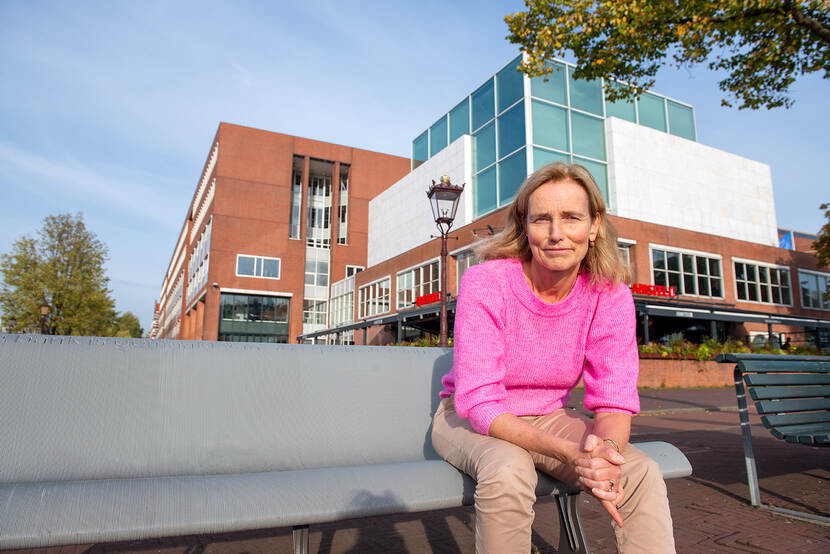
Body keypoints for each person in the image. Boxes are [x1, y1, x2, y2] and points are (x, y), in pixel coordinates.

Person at [431, 162, 675, 553]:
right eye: (542, 219)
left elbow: (613, 399)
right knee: (509, 469)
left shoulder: (609, 294)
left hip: (549, 417)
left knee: (637, 471)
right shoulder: (487, 282)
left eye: (571, 218)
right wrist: (571, 454)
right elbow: (478, 401)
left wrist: (605, 455)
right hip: (470, 419)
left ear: (594, 225)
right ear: (524, 226)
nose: (557, 234)